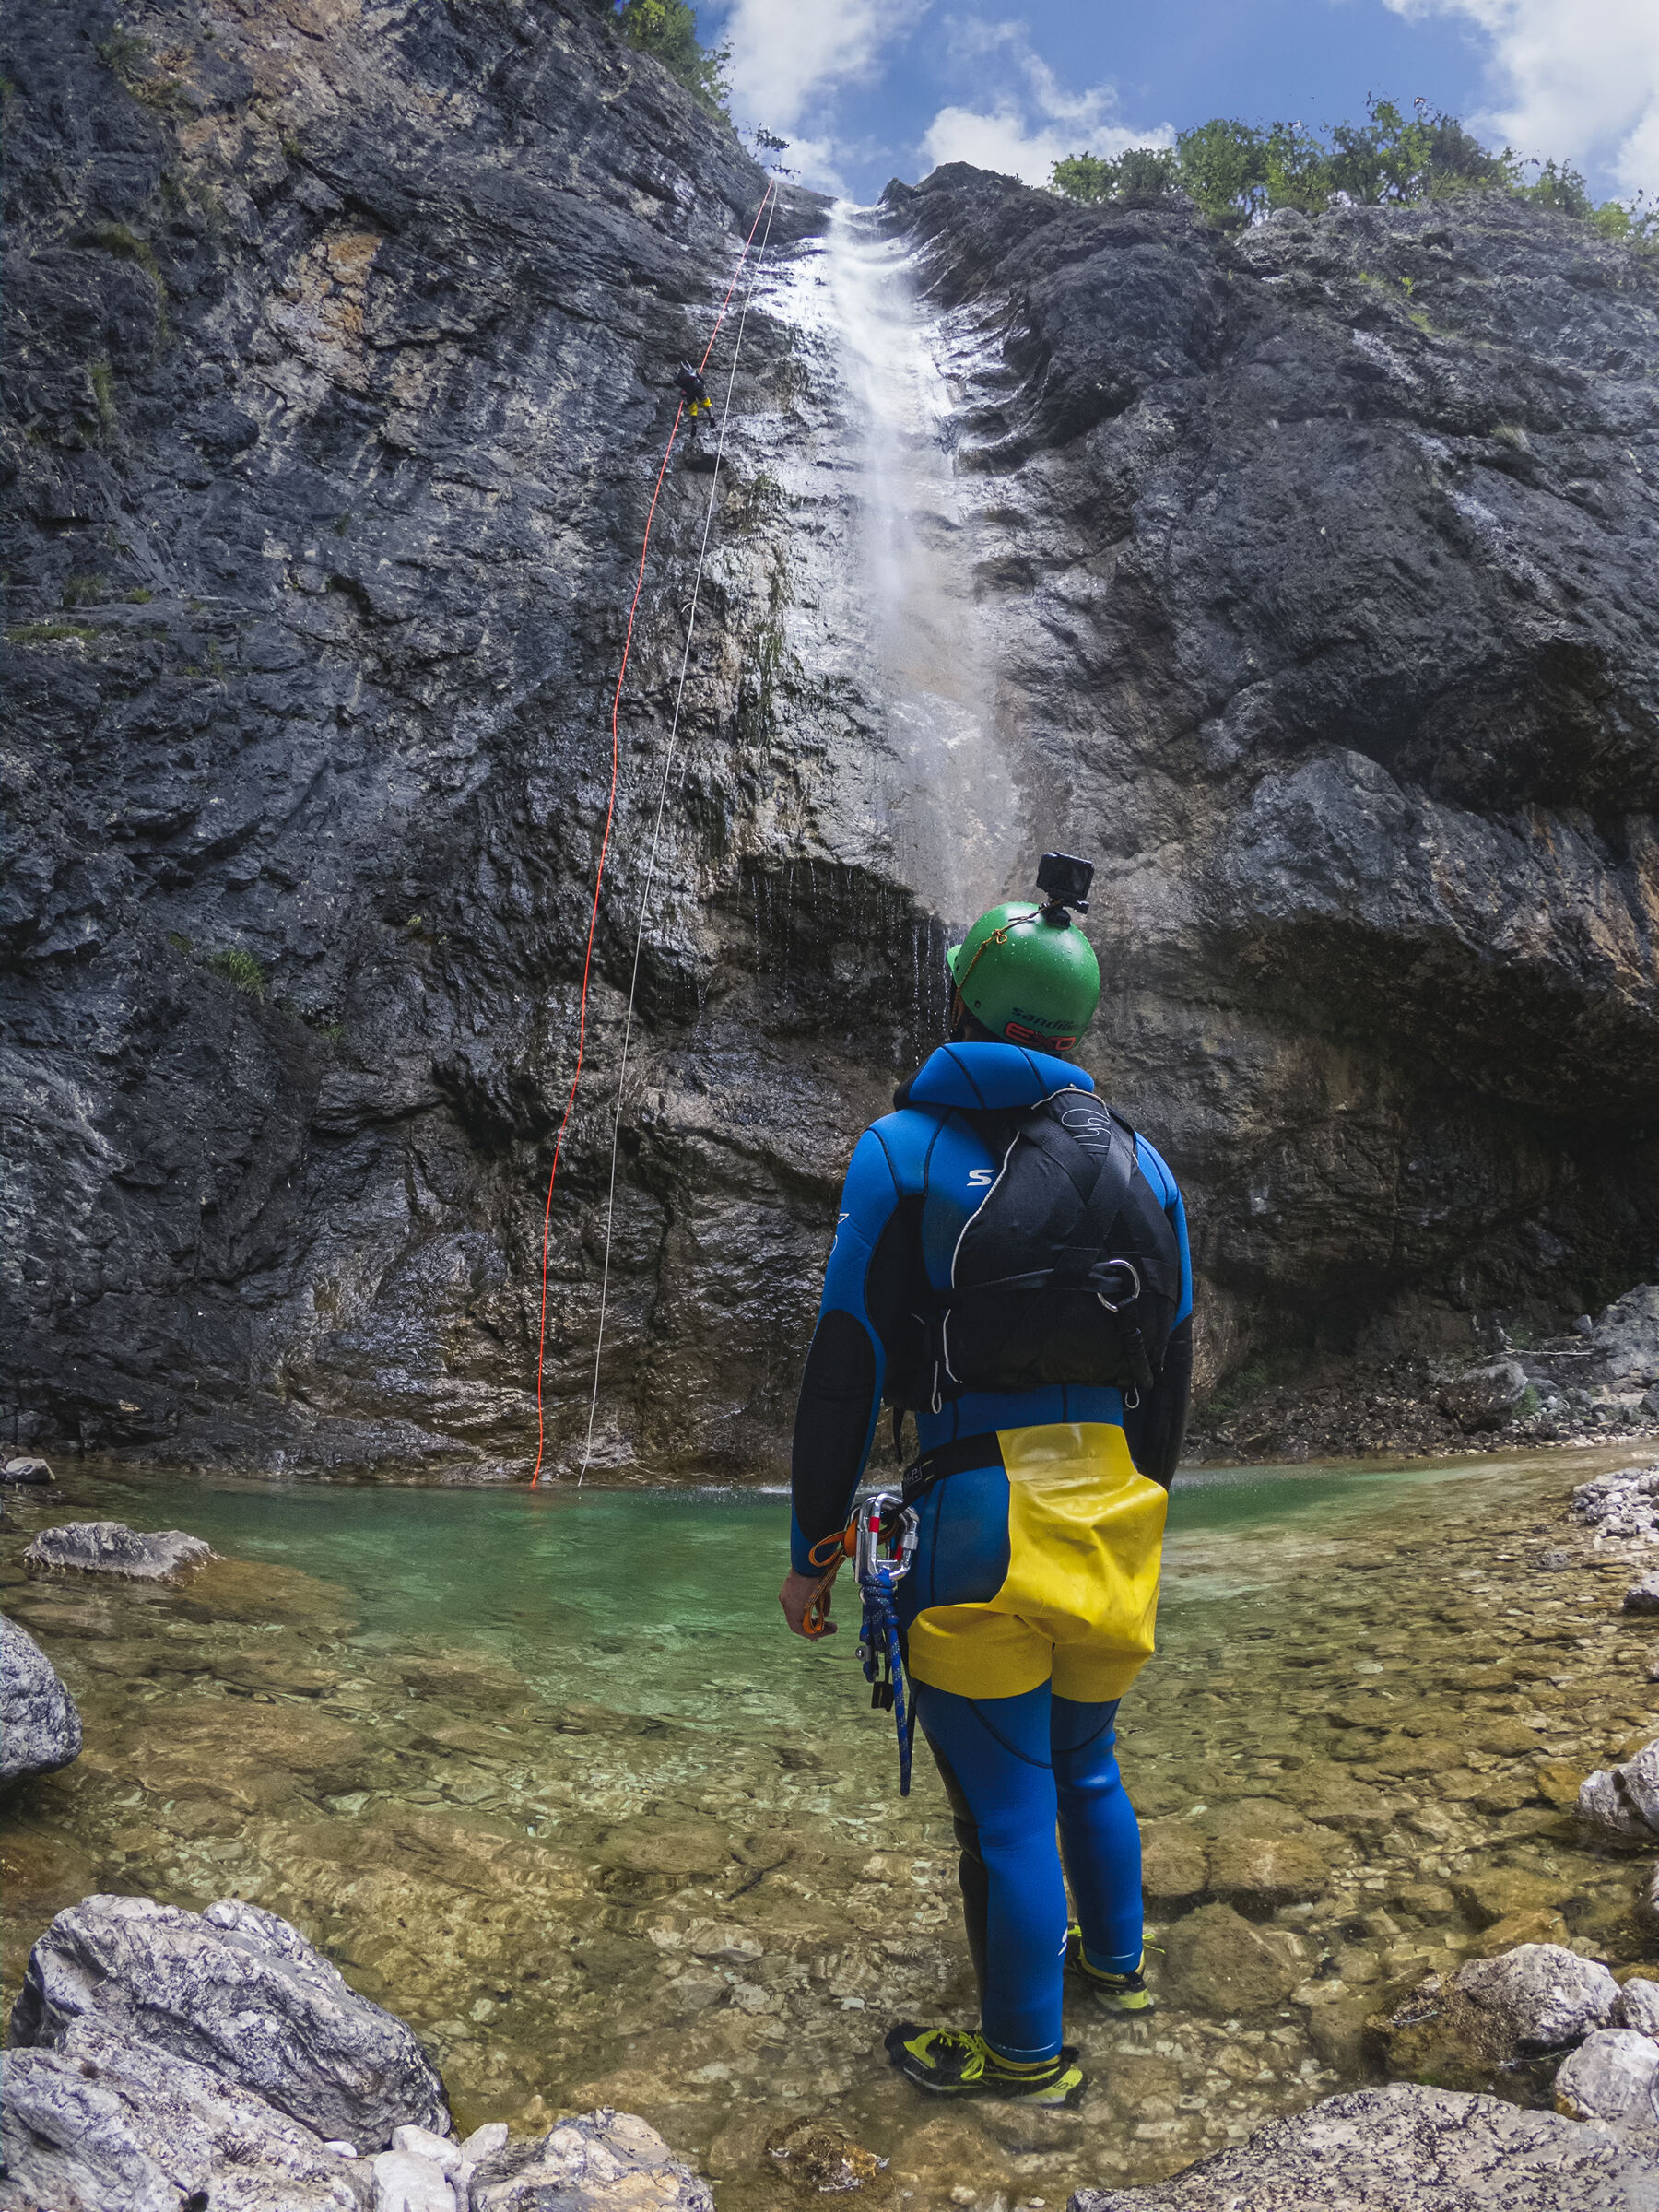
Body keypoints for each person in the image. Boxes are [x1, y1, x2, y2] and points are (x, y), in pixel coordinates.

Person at [779, 857, 1193, 2110]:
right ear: (1076, 1024)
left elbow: (846, 1366)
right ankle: (1118, 1973)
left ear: (961, 996)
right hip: (1118, 1514)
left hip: (980, 1519)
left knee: (1007, 1814)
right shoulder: (1150, 1169)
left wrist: (814, 1549)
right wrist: (1140, 1516)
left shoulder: (901, 1151)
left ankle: (1025, 2061)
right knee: (1090, 1765)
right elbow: (1171, 1379)